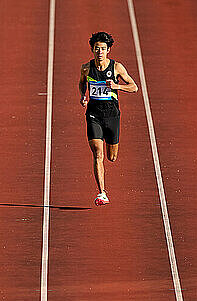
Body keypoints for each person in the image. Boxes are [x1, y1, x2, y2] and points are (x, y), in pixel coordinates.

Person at [79, 31, 138, 206]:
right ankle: (102, 193)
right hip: (93, 115)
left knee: (112, 157)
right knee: (98, 153)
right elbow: (82, 82)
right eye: (97, 48)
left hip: (112, 115)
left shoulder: (117, 67)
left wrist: (117, 86)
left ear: (108, 50)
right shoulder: (86, 68)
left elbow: (134, 87)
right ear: (92, 49)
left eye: (103, 49)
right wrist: (83, 96)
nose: (100, 52)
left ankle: (103, 188)